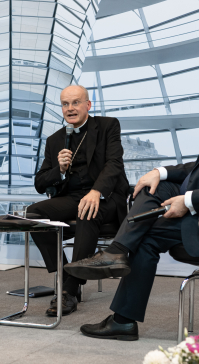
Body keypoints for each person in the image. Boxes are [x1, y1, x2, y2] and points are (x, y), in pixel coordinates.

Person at [65, 64, 199, 340]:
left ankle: (121, 305)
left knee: (146, 236)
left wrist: (188, 201)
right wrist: (161, 172)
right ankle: (117, 253)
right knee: (154, 184)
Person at [27, 85, 129, 317]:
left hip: (107, 197)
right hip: (72, 197)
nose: (70, 108)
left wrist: (96, 191)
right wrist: (59, 169)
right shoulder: (55, 140)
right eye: (65, 104)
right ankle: (66, 276)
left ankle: (69, 291)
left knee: (87, 211)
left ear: (88, 105)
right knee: (32, 214)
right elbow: (40, 182)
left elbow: (114, 164)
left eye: (75, 102)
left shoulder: (107, 126)